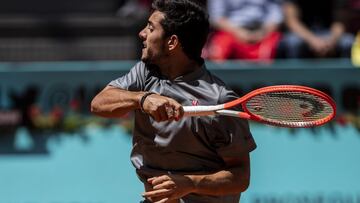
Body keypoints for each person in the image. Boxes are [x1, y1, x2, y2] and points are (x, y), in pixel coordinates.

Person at [91, 0, 256, 202]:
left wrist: (188, 184)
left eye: (150, 29)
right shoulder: (145, 73)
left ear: (172, 42)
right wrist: (143, 99)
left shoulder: (219, 98)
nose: (142, 34)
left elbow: (240, 178)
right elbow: (99, 104)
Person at [205, 0, 283, 61]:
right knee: (217, 53)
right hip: (230, 31)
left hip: (263, 31)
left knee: (273, 50)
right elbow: (216, 18)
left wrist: (262, 32)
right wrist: (238, 32)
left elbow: (276, 16)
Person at [279, 0, 355, 58]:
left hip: (328, 35)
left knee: (348, 41)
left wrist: (332, 41)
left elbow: (339, 22)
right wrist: (312, 40)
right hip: (303, 35)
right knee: (293, 42)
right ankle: (294, 77)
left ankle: (342, 77)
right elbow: (292, 22)